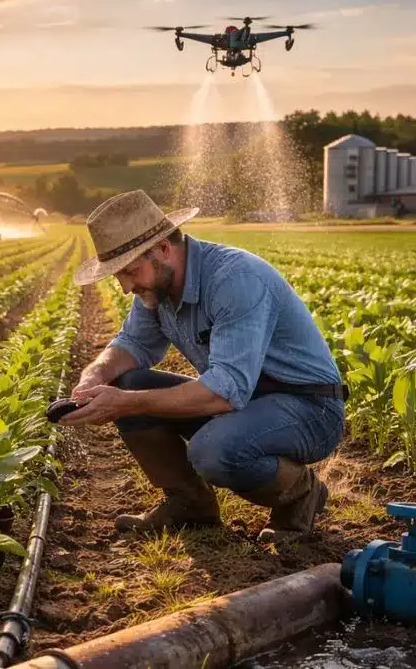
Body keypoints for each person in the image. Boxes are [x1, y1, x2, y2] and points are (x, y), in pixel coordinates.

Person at [58, 190, 347, 543]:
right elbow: (132, 345)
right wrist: (95, 375)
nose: (125, 287)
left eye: (130, 271)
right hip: (248, 402)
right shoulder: (157, 288)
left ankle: (302, 494)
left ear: (164, 248)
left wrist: (124, 402)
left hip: (308, 407)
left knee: (212, 450)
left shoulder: (234, 279)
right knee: (128, 381)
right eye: (118, 276)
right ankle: (190, 506)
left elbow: (225, 391)